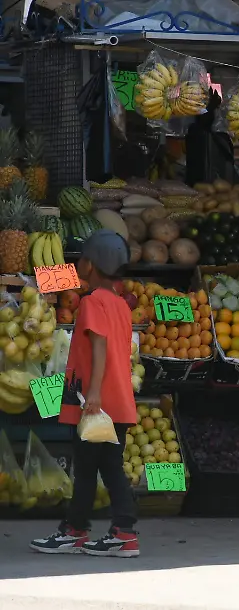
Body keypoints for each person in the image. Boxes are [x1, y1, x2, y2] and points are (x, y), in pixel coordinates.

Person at [31, 230, 138, 557]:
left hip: (96, 403)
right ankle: (83, 529)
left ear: (91, 264)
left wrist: (92, 395)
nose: (77, 264)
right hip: (117, 400)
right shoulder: (120, 304)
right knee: (98, 466)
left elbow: (100, 346)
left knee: (97, 467)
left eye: (81, 259)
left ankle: (116, 531)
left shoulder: (92, 302)